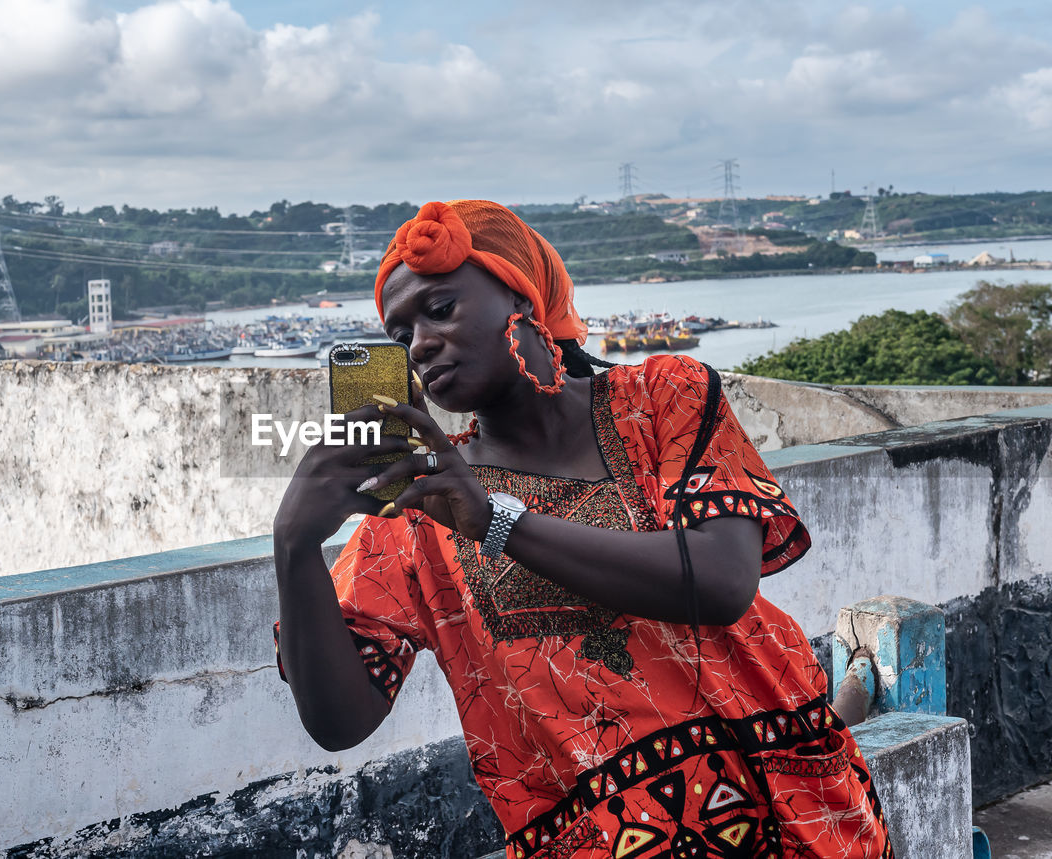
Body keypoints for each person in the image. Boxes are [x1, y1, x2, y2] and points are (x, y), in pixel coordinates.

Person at [273, 200, 892, 858]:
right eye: (401, 335)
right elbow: (342, 720)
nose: (419, 343)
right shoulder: (422, 511)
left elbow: (721, 578)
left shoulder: (663, 398)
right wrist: (295, 548)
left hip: (798, 817)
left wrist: (495, 520)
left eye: (442, 309)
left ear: (521, 294)